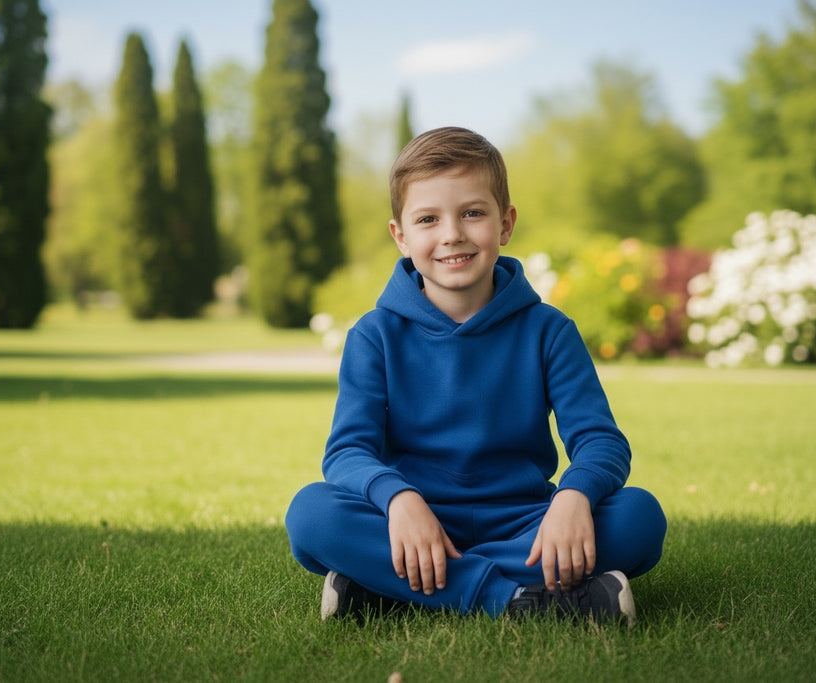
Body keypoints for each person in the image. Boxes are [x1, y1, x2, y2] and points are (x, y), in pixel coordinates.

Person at [285, 126, 666, 624]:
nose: (452, 235)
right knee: (312, 515)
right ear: (400, 236)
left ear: (505, 224)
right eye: (428, 219)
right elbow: (347, 452)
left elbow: (601, 442)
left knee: (639, 517)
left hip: (526, 523)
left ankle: (391, 586)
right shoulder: (373, 336)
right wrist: (398, 499)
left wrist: (573, 497)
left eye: (472, 213)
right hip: (411, 520)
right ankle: (515, 600)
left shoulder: (549, 330)